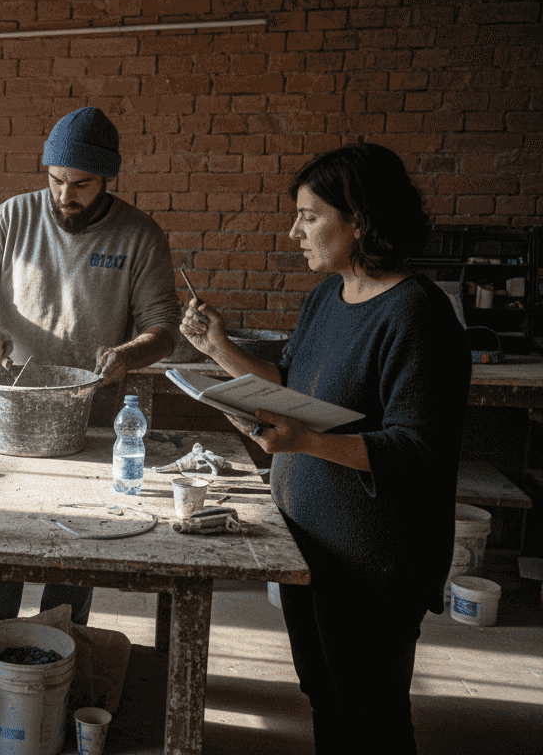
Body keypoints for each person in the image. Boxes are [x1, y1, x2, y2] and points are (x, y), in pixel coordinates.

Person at [180, 143, 469, 754]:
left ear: (359, 220)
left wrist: (305, 442)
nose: (295, 232)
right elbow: (292, 384)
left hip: (374, 557)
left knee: (372, 710)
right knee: (323, 691)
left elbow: (417, 450)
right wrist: (218, 351)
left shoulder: (416, 312)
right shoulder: (327, 296)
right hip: (309, 539)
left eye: (309, 217)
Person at [0, 107, 182, 625]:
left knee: (76, 547)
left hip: (94, 404)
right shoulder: (14, 217)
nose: (65, 196)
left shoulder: (140, 236)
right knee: (4, 539)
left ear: (108, 178)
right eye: (55, 180)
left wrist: (126, 355)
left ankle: (63, 645)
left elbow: (163, 327)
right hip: (15, 402)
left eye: (81, 184)